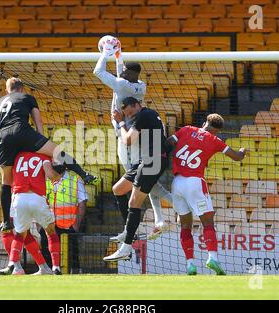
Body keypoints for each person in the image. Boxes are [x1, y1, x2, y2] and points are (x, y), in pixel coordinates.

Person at [0, 77, 98, 233]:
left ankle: (5, 221)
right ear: (22, 88)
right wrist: (40, 140)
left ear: (7, 90)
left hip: (3, 137)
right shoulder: (27, 97)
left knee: (6, 181)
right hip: (22, 130)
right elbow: (38, 121)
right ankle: (84, 174)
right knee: (58, 152)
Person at [93, 38, 172, 242]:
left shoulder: (121, 85)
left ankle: (174, 207)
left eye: (123, 71)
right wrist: (118, 56)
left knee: (140, 180)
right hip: (135, 135)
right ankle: (158, 219)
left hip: (127, 136)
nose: (121, 73)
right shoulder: (140, 85)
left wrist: (106, 53)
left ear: (128, 74)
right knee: (144, 180)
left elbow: (98, 72)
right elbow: (122, 72)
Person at [166, 114, 248, 275]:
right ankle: (212, 258)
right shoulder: (214, 140)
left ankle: (190, 264)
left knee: (185, 225)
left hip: (176, 183)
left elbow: (168, 143)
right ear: (217, 131)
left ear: (204, 123)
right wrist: (243, 150)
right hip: (195, 183)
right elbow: (237, 157)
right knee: (208, 223)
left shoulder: (186, 129)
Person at [103, 97, 170, 262]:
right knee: (118, 189)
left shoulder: (144, 115)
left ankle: (126, 246)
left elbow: (127, 140)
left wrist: (120, 123)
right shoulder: (150, 115)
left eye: (131, 112)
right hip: (146, 160)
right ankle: (128, 230)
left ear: (137, 105)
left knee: (134, 202)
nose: (130, 115)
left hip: (152, 160)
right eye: (127, 114)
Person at [0, 151, 62, 276]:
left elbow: (5, 175)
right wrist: (58, 176)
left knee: (18, 232)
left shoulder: (15, 154)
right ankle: (55, 267)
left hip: (18, 198)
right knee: (51, 231)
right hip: (37, 198)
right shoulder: (43, 155)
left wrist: (0, 162)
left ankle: (14, 264)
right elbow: (50, 175)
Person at [45, 170, 88, 274]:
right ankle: (48, 270)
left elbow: (83, 202)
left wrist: (76, 224)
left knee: (73, 251)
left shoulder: (74, 180)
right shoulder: (47, 180)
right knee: (46, 246)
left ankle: (76, 272)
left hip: (70, 224)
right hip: (51, 224)